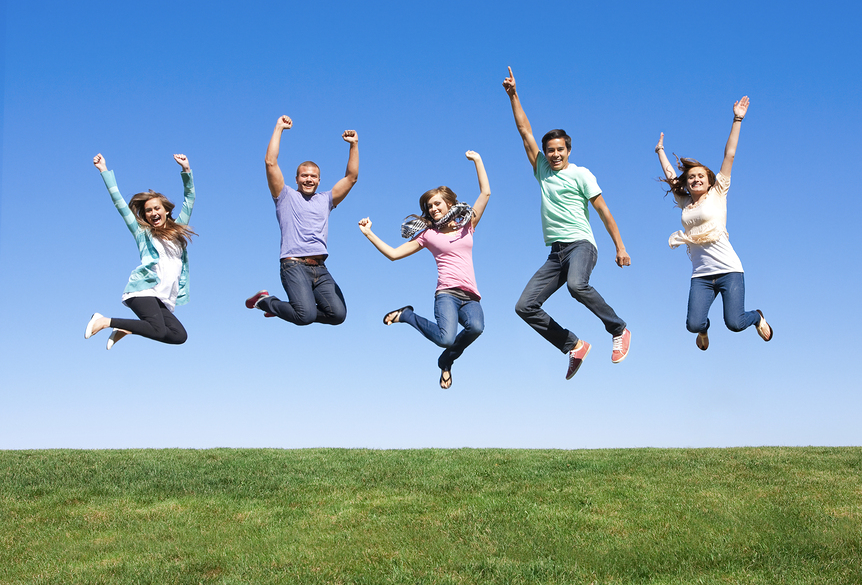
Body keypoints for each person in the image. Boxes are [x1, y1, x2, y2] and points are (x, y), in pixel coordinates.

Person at [502, 66, 632, 380]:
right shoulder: (542, 170)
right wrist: (513, 95)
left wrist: (620, 246)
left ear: (569, 150)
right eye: (550, 150)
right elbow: (525, 131)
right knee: (524, 306)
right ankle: (573, 345)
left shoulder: (581, 174)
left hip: (581, 245)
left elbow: (603, 211)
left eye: (560, 149)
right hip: (555, 253)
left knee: (576, 285)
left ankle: (618, 329)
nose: (555, 154)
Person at [358, 151, 491, 389]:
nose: (433, 208)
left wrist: (478, 161)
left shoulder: (467, 225)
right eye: (429, 206)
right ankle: (407, 315)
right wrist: (369, 233)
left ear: (449, 203)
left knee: (477, 327)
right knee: (446, 338)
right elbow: (394, 254)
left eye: (437, 203)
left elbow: (485, 193)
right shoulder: (428, 235)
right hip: (447, 294)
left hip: (471, 295)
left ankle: (446, 361)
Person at [655, 96, 772, 350]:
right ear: (687, 183)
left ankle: (757, 316)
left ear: (709, 181)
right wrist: (660, 151)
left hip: (729, 270)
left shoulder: (718, 193)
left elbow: (730, 154)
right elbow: (671, 177)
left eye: (701, 176)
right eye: (691, 177)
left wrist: (737, 119)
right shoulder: (685, 202)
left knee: (735, 323)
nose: (696, 179)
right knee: (693, 324)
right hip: (701, 275)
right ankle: (704, 330)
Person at [245, 115, 358, 326]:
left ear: (319, 180)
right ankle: (265, 302)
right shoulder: (284, 196)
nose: (309, 179)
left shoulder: (326, 200)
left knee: (338, 315)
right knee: (305, 316)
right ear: (296, 179)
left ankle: (287, 310)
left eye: (313, 176)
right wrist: (279, 128)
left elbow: (351, 178)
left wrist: (354, 145)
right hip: (294, 265)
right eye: (304, 176)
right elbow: (270, 163)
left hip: (321, 268)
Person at [85, 153, 196, 349]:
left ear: (166, 210)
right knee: (158, 329)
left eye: (157, 208)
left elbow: (190, 199)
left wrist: (186, 169)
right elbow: (120, 203)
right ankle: (103, 320)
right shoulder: (142, 232)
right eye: (148, 211)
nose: (153, 213)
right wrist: (104, 170)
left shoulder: (178, 230)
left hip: (161, 296)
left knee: (179, 336)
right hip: (143, 291)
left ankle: (127, 328)